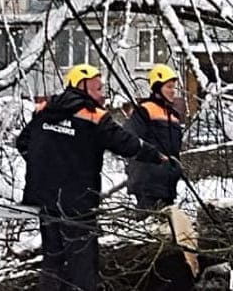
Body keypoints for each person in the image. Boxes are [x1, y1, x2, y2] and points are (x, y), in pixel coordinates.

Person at [16, 63, 166, 291]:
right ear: (82, 86)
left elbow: (23, 144)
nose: (103, 95)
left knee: (53, 261)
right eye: (98, 89)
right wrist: (156, 156)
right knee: (82, 266)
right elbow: (125, 144)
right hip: (78, 203)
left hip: (46, 201)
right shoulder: (94, 116)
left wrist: (47, 169)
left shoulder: (45, 110)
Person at [125, 63, 184, 215]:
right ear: (157, 88)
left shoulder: (174, 116)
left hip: (167, 184)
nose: (173, 91)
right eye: (169, 87)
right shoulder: (144, 111)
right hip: (147, 183)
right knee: (148, 225)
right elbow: (131, 140)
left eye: (173, 87)